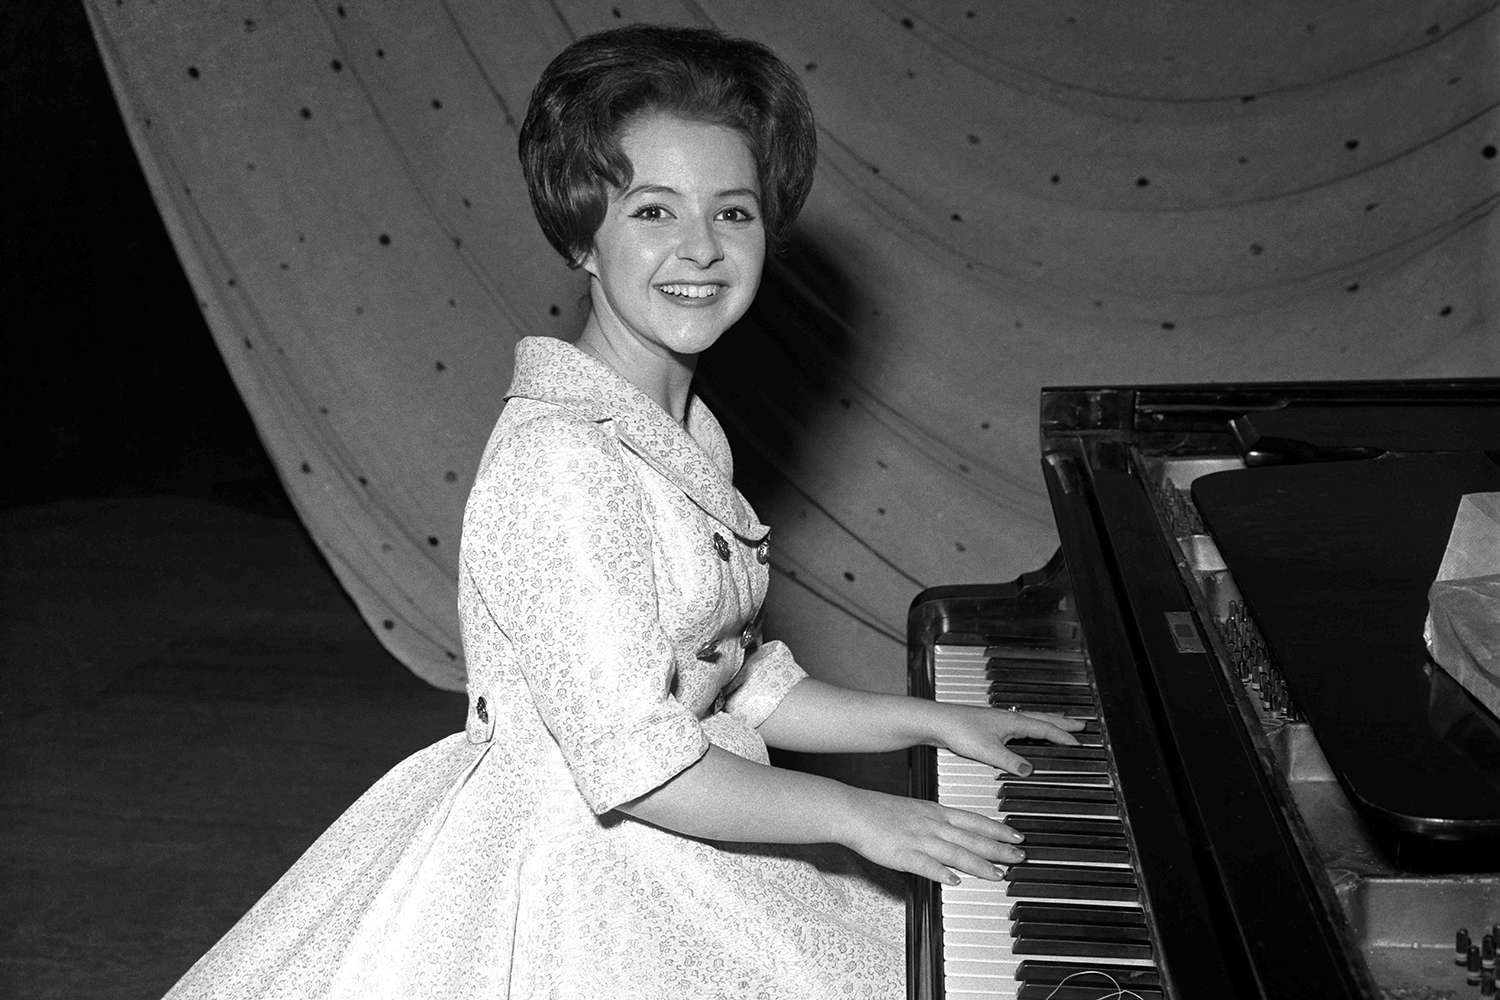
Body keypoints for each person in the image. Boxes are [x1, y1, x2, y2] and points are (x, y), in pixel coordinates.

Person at [161, 24, 1081, 1000]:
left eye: (734, 211)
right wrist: (859, 818)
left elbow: (733, 681)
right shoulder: (562, 459)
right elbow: (640, 765)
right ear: (580, 234)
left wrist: (930, 724)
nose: (701, 248)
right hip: (590, 868)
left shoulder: (684, 430)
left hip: (701, 812)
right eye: (653, 210)